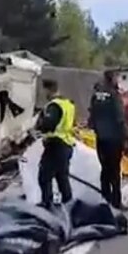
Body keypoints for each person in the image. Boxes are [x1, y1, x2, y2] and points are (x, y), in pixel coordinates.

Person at [89, 70, 128, 210]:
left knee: (104, 170)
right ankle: (117, 202)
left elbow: (91, 118)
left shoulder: (96, 95)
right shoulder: (114, 95)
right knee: (115, 170)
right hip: (114, 138)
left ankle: (105, 200)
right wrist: (127, 137)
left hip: (101, 138)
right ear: (112, 79)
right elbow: (119, 118)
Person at [37, 79, 76, 208]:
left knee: (44, 176)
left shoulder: (54, 106)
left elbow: (49, 125)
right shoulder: (68, 104)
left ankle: (47, 204)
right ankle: (68, 205)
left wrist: (39, 125)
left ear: (48, 90)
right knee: (62, 177)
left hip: (55, 145)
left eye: (44, 91)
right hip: (66, 145)